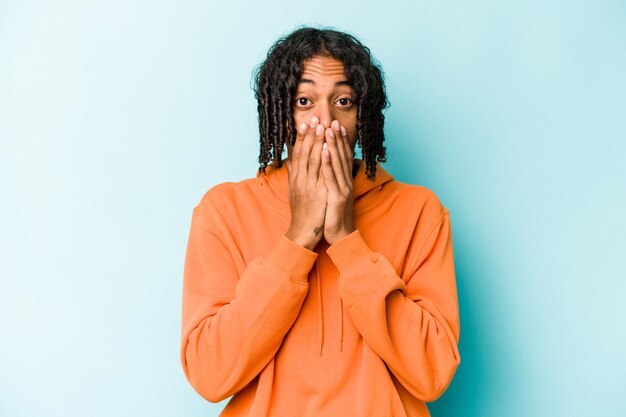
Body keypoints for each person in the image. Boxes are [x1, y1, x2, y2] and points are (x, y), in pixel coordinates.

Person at [180, 26, 461, 417]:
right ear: (280, 112)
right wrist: (298, 239)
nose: (324, 121)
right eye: (304, 101)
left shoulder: (419, 212)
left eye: (343, 100)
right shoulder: (224, 211)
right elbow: (210, 376)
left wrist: (347, 239)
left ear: (362, 114)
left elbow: (431, 374)